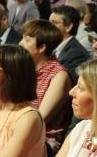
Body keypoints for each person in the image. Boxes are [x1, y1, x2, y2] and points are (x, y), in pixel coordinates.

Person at [20, 20, 72, 149]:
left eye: (27, 40)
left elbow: (38, 118)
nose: (20, 43)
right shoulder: (24, 69)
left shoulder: (59, 75)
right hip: (20, 130)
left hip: (44, 142)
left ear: (42, 47)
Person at [50, 5, 90, 83]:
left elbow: (67, 85)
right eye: (50, 22)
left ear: (68, 27)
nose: (49, 26)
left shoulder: (76, 54)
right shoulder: (53, 46)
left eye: (55, 23)